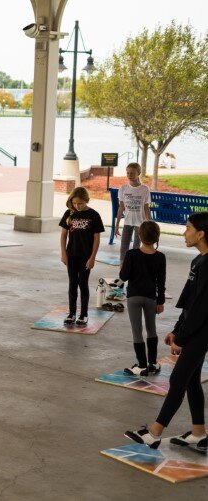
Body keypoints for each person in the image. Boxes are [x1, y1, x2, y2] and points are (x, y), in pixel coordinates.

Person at [125, 212, 208, 453]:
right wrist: (176, 329)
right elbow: (190, 301)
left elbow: (202, 308)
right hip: (194, 327)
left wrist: (182, 338)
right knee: (191, 379)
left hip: (203, 331)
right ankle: (199, 433)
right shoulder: (198, 261)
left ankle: (154, 433)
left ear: (201, 234)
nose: (184, 232)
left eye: (188, 228)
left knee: (178, 379)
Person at [119, 221, 166, 376]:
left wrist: (124, 267)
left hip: (134, 297)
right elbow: (161, 281)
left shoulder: (131, 254)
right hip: (151, 297)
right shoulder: (161, 257)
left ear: (138, 236)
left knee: (137, 331)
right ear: (157, 237)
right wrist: (160, 301)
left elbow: (123, 277)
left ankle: (141, 365)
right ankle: (152, 363)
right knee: (151, 329)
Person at [59, 187, 105, 326]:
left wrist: (92, 258)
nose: (77, 206)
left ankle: (83, 314)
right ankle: (72, 313)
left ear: (86, 201)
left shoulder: (94, 215)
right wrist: (63, 253)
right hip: (71, 255)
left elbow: (96, 239)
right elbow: (63, 235)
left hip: (86, 256)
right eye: (75, 203)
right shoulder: (69, 213)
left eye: (80, 203)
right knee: (72, 283)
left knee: (82, 283)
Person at [115, 162, 151, 265]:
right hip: (128, 222)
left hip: (141, 223)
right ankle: (122, 272)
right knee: (123, 249)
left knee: (136, 248)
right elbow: (121, 207)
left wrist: (148, 223)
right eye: (128, 173)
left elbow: (146, 207)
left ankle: (134, 269)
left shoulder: (144, 189)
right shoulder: (123, 188)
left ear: (138, 173)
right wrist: (117, 225)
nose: (129, 175)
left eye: (132, 173)